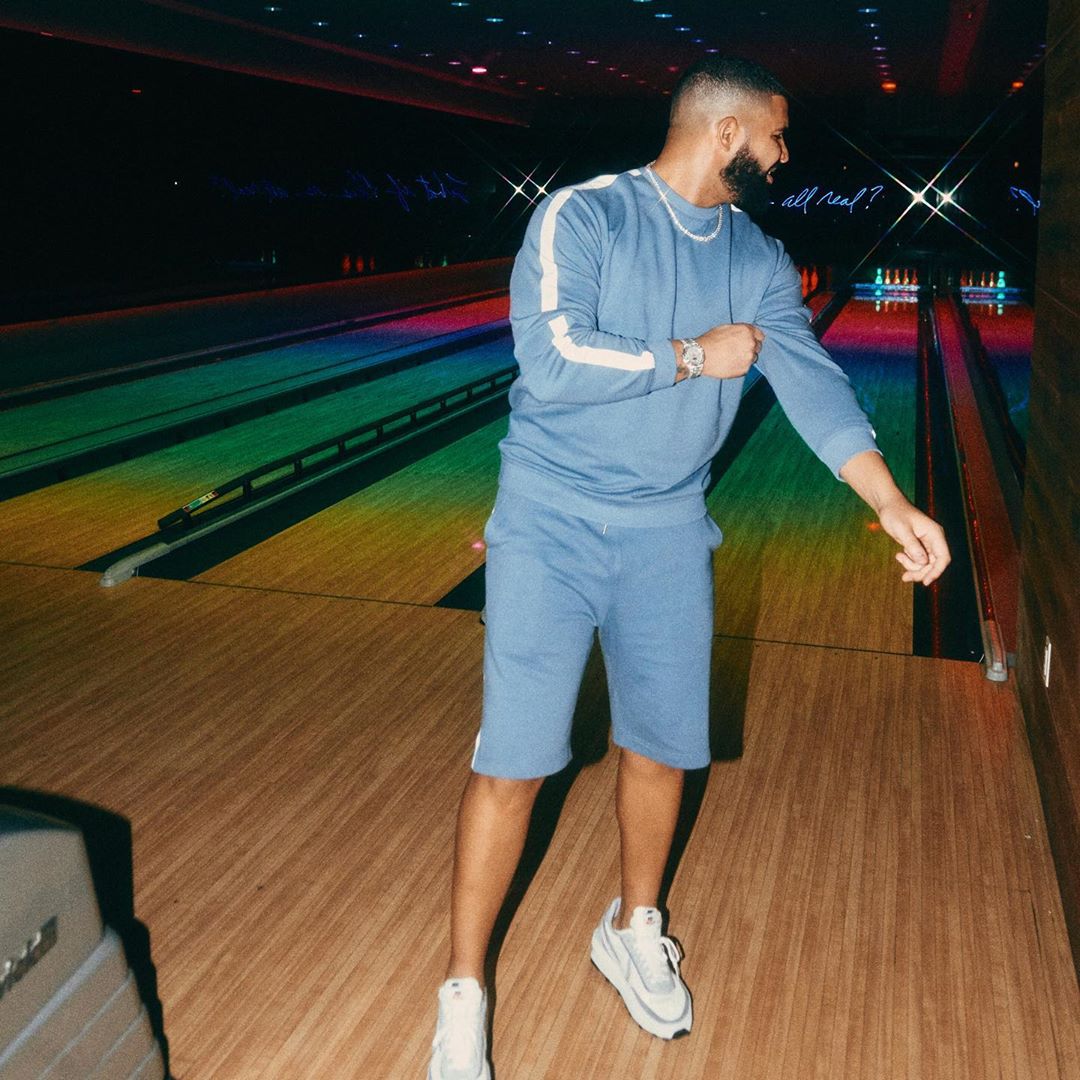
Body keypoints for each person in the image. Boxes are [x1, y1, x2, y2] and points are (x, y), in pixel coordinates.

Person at [427, 55, 950, 1080]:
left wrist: (891, 503)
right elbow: (552, 358)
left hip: (667, 530)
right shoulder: (586, 217)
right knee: (514, 764)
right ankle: (462, 991)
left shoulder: (755, 254)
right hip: (549, 522)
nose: (786, 153)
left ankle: (632, 927)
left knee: (664, 750)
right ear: (727, 133)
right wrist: (688, 357)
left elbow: (811, 383)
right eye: (778, 135)